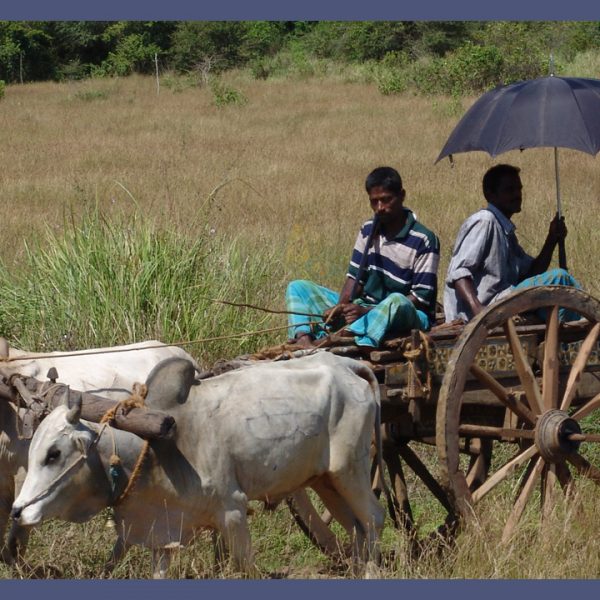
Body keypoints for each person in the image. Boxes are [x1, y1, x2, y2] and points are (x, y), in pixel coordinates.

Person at [286, 166, 440, 348]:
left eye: (386, 200)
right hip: (366, 307)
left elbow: (420, 298)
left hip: (407, 313)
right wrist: (340, 308)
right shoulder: (368, 229)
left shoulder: (424, 239)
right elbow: (354, 278)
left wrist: (366, 312)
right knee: (298, 287)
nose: (379, 208)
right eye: (374, 202)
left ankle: (337, 338)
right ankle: (303, 339)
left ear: (402, 196)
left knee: (396, 300)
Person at [444, 163, 581, 323]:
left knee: (559, 288)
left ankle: (571, 328)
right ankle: (581, 327)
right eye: (509, 190)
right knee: (560, 277)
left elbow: (531, 273)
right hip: (488, 307)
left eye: (519, 189)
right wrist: (479, 311)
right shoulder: (485, 221)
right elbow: (459, 272)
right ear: (490, 194)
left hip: (505, 302)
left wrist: (551, 239)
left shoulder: (506, 232)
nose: (517, 194)